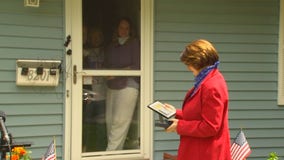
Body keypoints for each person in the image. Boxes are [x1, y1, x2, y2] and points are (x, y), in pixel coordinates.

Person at [165, 39, 232, 160]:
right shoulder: (209, 79)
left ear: (197, 62)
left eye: (188, 63)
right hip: (200, 151)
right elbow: (199, 113)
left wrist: (179, 126)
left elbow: (210, 127)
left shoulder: (212, 86)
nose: (188, 68)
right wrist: (176, 113)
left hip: (206, 153)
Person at [104, 17, 140, 151]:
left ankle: (110, 154)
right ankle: (115, 153)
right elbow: (106, 64)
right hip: (112, 85)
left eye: (127, 28)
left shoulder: (134, 43)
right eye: (121, 27)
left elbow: (137, 66)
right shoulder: (111, 45)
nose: (124, 31)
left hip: (128, 86)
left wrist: (117, 72)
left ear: (131, 30)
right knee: (110, 122)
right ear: (116, 29)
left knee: (120, 122)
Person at [82, 27, 107, 152]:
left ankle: (100, 152)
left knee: (101, 126)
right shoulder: (85, 53)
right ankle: (86, 150)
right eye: (94, 36)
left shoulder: (106, 53)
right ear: (90, 38)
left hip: (104, 95)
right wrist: (87, 95)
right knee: (87, 125)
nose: (96, 39)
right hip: (90, 97)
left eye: (99, 36)